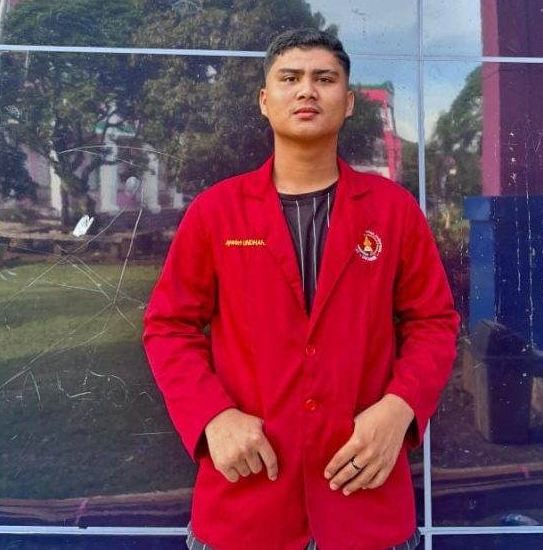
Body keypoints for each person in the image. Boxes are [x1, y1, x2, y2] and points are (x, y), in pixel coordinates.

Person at [143, 28, 459, 550]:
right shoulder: (216, 212)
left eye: (324, 79)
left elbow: (434, 322)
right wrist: (212, 416)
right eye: (289, 78)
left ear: (349, 101)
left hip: (365, 503)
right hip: (247, 504)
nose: (307, 90)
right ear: (265, 100)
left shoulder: (393, 211)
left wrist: (401, 406)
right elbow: (168, 326)